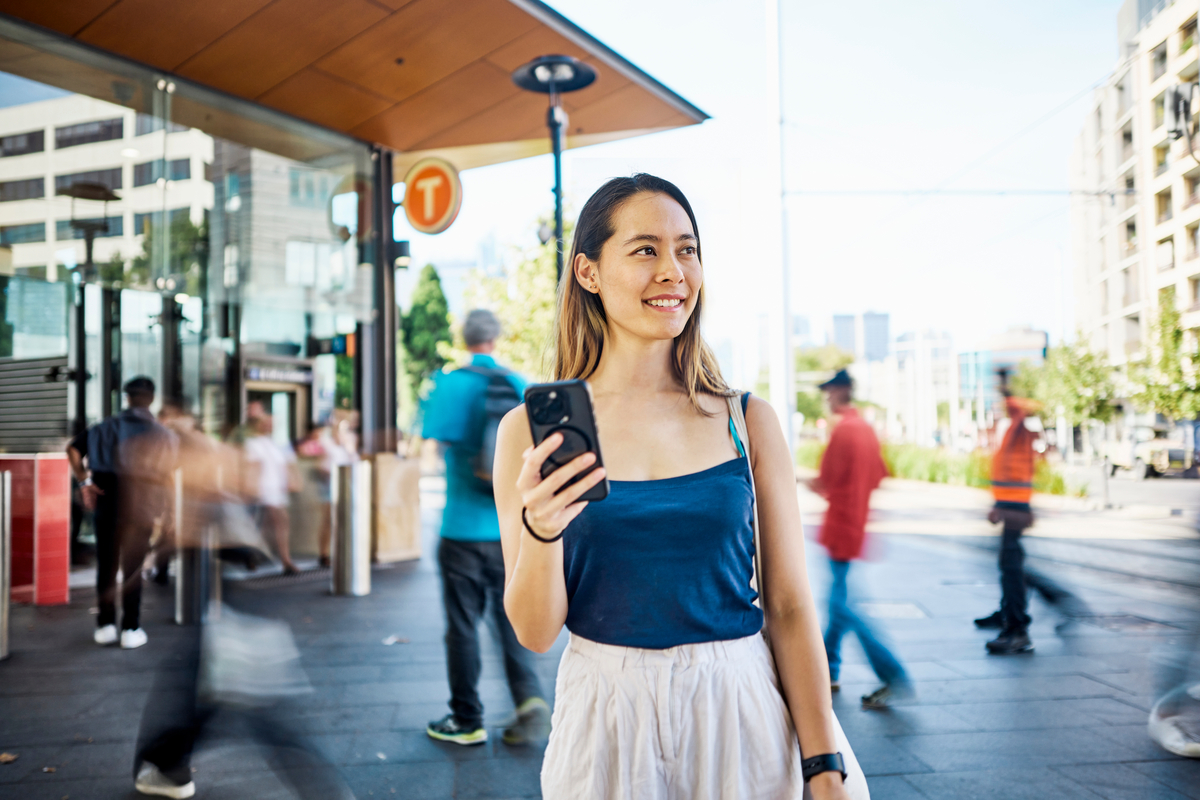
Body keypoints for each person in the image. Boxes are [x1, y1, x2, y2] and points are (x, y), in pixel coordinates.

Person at [493, 174, 867, 799]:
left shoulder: (747, 419)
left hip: (738, 705)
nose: (673, 270)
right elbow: (535, 631)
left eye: (687, 249)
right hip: (604, 716)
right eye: (645, 250)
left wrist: (824, 765)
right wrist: (543, 529)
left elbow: (791, 606)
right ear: (588, 272)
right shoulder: (526, 433)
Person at [421, 308, 550, 747]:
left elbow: (435, 443)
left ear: (463, 337)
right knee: (509, 617)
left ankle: (467, 718)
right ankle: (529, 700)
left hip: (459, 526)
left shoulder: (449, 383)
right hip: (507, 530)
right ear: (496, 339)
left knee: (462, 624)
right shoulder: (516, 385)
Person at [809, 369, 910, 710]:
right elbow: (880, 473)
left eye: (828, 392)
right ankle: (827, 670)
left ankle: (893, 675)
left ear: (840, 393)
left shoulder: (844, 432)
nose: (826, 398)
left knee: (844, 607)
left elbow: (826, 481)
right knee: (839, 603)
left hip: (841, 529)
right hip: (856, 527)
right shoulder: (865, 428)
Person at [66, 376, 177, 650]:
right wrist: (170, 513)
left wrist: (84, 482)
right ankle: (131, 628)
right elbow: (169, 478)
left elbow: (73, 449)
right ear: (151, 398)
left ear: (126, 398)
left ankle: (105, 627)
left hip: (108, 506)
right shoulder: (165, 435)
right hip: (142, 508)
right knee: (132, 569)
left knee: (106, 566)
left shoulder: (104, 427)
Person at [978, 388, 1041, 655]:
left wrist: (1005, 385)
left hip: (1015, 506)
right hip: (1011, 505)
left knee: (1011, 566)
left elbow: (1015, 473)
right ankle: (1009, 615)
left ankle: (1017, 628)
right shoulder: (1013, 429)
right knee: (1010, 563)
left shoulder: (1019, 429)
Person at [242, 414, 301, 574]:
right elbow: (252, 467)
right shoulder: (253, 444)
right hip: (263, 490)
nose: (269, 426)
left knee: (267, 526)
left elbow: (287, 464)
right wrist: (250, 488)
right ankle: (285, 561)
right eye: (266, 423)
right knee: (278, 522)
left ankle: (253, 555)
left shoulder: (277, 444)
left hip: (276, 490)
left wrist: (292, 480)